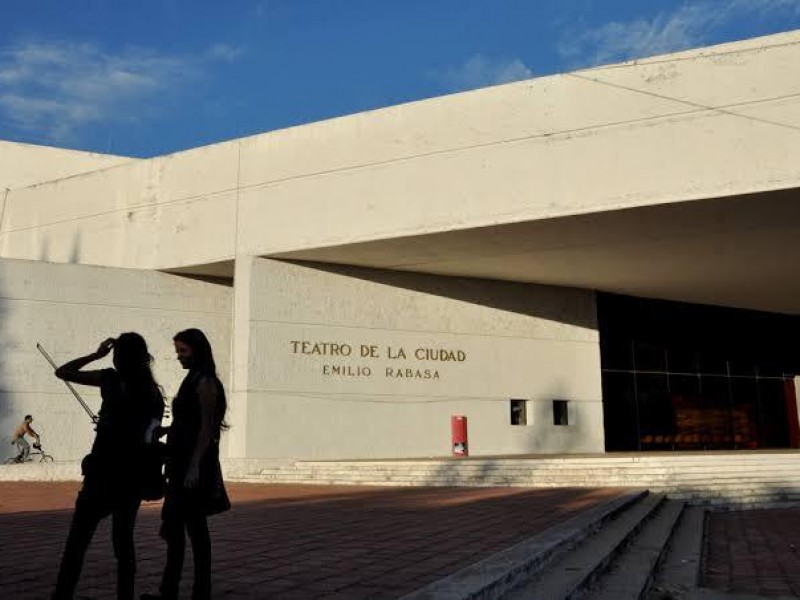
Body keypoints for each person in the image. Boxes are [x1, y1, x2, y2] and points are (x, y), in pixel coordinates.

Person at [52, 334, 164, 600]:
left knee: (77, 544)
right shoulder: (151, 392)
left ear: (118, 357)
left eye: (115, 355)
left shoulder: (110, 379)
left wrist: (96, 354)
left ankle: (62, 596)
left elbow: (63, 372)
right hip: (131, 478)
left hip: (101, 473)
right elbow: (151, 436)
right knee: (123, 544)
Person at [142, 328, 230, 600]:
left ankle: (195, 591)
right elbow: (190, 424)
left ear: (197, 350)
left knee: (192, 530)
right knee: (179, 530)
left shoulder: (205, 382)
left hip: (193, 466)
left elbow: (206, 429)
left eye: (183, 351)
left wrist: (193, 467)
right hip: (180, 460)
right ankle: (173, 590)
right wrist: (168, 432)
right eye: (178, 350)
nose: (178, 356)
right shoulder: (192, 379)